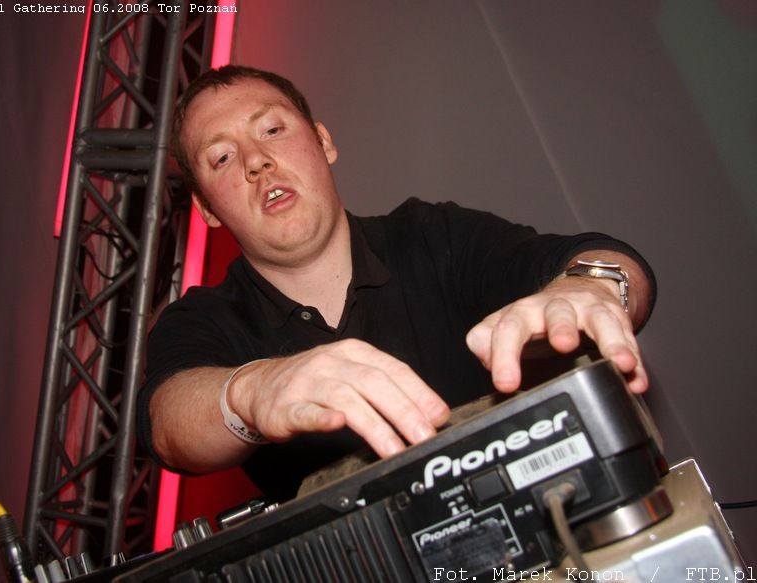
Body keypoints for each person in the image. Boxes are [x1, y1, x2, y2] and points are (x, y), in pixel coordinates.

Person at [136, 65, 656, 502]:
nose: (256, 161)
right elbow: (168, 423)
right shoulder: (202, 318)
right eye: (222, 158)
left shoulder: (432, 236)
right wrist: (252, 391)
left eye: (272, 130)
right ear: (207, 209)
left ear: (323, 141)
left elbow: (601, 259)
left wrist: (590, 288)